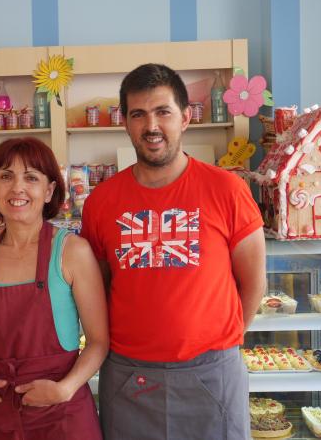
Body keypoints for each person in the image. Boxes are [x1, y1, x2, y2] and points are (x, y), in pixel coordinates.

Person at [80, 63, 267, 440]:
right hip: (130, 378)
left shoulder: (227, 190)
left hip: (212, 375)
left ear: (185, 117)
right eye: (138, 114)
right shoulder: (101, 202)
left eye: (162, 112)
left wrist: (215, 344)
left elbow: (253, 284)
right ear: (125, 123)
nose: (151, 126)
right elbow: (98, 289)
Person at [0, 137, 108, 440]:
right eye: (6, 176)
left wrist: (65, 389)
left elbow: (98, 341)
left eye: (31, 178)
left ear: (49, 190)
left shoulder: (72, 251)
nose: (17, 188)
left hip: (60, 412)